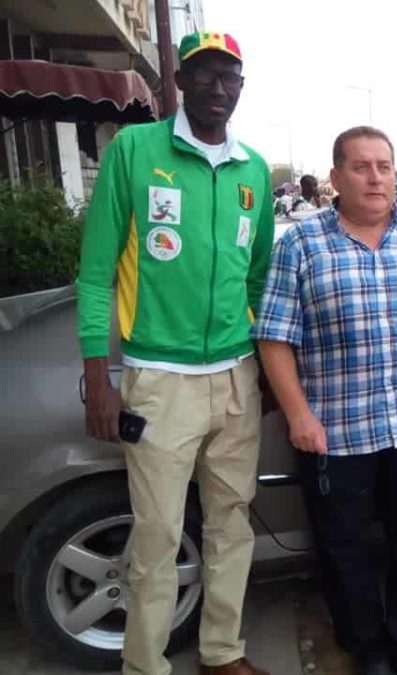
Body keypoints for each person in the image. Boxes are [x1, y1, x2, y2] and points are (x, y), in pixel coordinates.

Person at [76, 31, 273, 675]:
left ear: (242, 87)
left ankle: (221, 652)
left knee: (230, 525)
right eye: (205, 75)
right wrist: (98, 377)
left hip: (237, 375)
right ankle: (145, 665)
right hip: (159, 379)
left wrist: (263, 369)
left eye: (230, 77)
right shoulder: (135, 150)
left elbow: (257, 278)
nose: (219, 88)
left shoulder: (254, 171)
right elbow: (96, 272)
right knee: (157, 537)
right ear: (179, 83)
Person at [253, 126, 397, 675]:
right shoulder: (302, 243)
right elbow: (274, 337)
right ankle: (368, 650)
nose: (375, 177)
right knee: (346, 550)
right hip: (336, 432)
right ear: (336, 177)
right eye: (361, 167)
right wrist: (299, 415)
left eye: (384, 166)